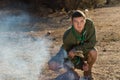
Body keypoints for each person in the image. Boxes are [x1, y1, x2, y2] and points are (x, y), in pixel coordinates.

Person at [48, 10, 97, 80]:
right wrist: (81, 65)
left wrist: (76, 49)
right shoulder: (68, 35)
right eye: (76, 22)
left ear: (85, 21)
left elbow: (92, 43)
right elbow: (69, 54)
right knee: (53, 65)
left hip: (83, 52)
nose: (79, 24)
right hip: (70, 56)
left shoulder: (90, 25)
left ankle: (87, 73)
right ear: (71, 22)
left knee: (93, 52)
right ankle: (70, 72)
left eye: (82, 21)